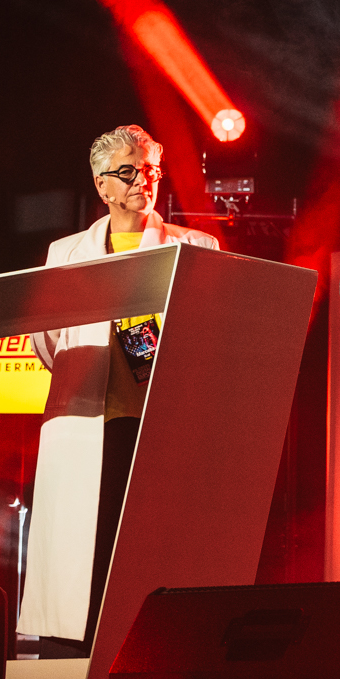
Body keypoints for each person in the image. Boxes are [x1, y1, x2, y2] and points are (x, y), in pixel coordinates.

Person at [19, 124, 220, 652]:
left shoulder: (195, 245)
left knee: (151, 552)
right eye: (128, 171)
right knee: (82, 551)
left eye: (150, 170)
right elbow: (47, 340)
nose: (141, 181)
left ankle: (151, 655)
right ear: (102, 185)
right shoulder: (65, 252)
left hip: (159, 421)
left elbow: (208, 336)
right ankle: (73, 660)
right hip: (86, 418)